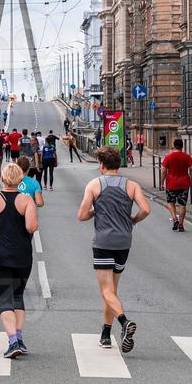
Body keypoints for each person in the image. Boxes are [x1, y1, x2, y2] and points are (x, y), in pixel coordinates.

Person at [77, 147, 151, 352]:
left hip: (103, 242)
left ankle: (125, 322)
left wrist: (95, 211)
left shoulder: (94, 185)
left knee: (106, 291)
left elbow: (81, 215)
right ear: (118, 164)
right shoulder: (131, 185)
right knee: (112, 290)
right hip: (124, 242)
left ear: (101, 165)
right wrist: (133, 220)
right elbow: (146, 209)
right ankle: (106, 334)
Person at [0, 163, 39, 359]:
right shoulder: (27, 200)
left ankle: (12, 341)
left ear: (3, 178)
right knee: (18, 296)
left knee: (5, 297)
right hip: (22, 255)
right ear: (20, 180)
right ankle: (20, 339)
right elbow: (32, 227)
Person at [161, 139, 192, 232]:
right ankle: (181, 224)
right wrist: (190, 179)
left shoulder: (168, 157)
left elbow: (164, 171)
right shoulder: (187, 157)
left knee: (170, 202)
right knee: (182, 204)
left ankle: (174, 219)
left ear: (174, 146)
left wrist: (161, 182)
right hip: (184, 183)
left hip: (171, 183)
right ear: (182, 146)